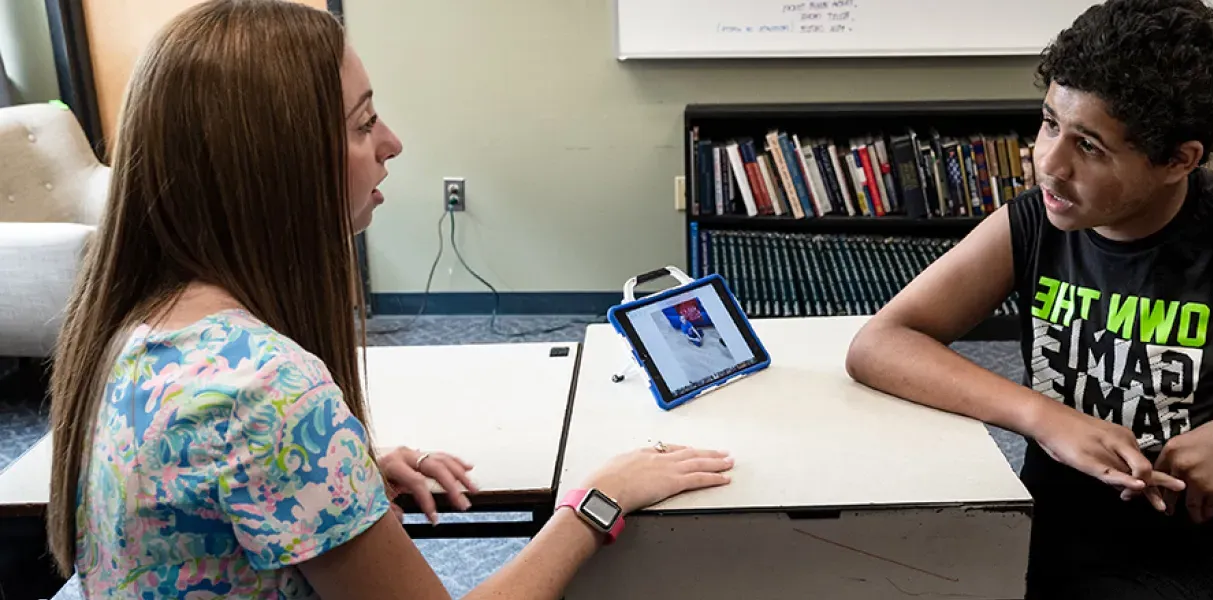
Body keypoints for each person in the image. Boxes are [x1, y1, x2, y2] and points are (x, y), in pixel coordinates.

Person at [44, 1, 733, 598]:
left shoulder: (141, 327)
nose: (392, 144)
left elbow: (201, 494)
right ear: (278, 163)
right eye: (362, 123)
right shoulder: (268, 392)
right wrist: (596, 499)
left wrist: (342, 477)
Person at [845, 0, 1213, 598]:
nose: (1049, 164)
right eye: (1050, 122)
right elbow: (881, 343)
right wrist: (1045, 418)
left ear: (1178, 160)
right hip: (1051, 533)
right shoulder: (1036, 222)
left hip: (1201, 564)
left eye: (1090, 146)